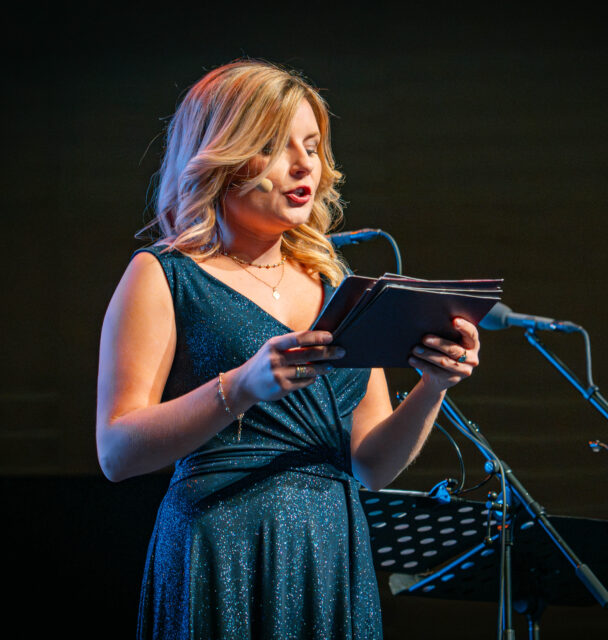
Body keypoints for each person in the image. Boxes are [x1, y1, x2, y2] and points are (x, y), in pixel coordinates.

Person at [96, 59, 481, 639]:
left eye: (313, 146)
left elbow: (372, 466)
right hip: (221, 545)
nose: (305, 165)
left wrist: (434, 387)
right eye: (276, 146)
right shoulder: (165, 275)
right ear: (221, 156)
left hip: (329, 552)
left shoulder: (337, 284)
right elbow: (116, 452)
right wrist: (242, 386)